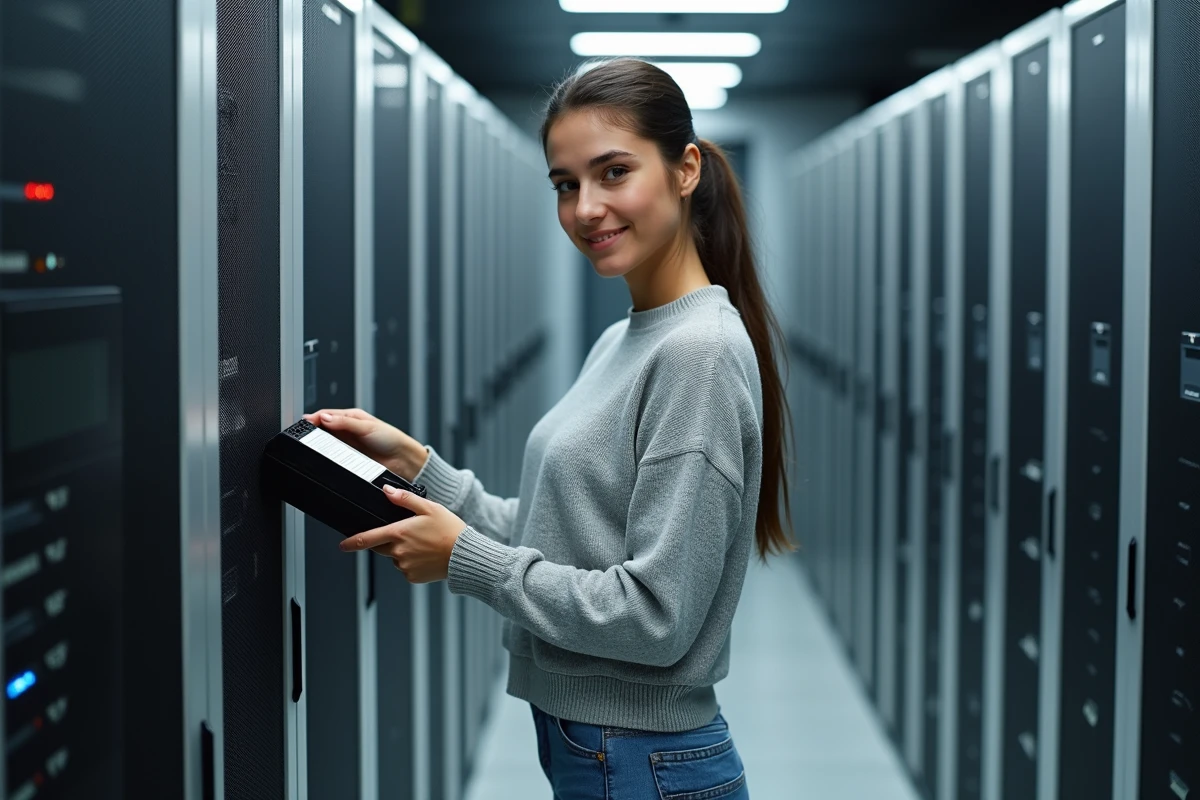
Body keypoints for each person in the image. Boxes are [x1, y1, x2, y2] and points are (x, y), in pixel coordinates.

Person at [305, 57, 793, 800]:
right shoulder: (627, 337)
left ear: (686, 169)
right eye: (566, 185)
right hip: (604, 749)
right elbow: (563, 534)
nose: (587, 208)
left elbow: (656, 617)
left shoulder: (698, 353)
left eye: (614, 172)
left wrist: (467, 560)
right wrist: (421, 468)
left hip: (639, 759)